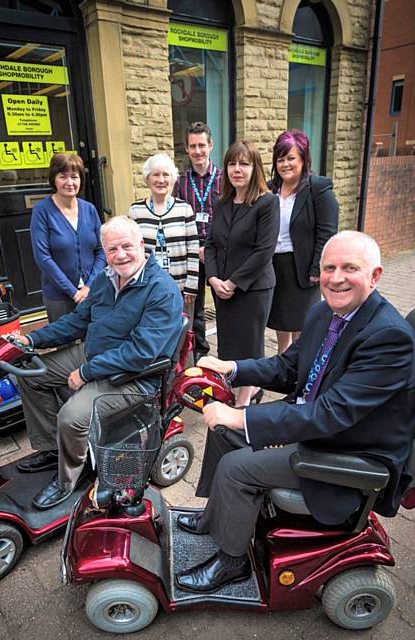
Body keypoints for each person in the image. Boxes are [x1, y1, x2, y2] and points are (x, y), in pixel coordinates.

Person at [175, 231, 415, 594]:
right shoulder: (324, 312)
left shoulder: (388, 337)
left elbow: (330, 415)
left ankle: (232, 562)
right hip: (315, 424)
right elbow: (287, 369)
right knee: (223, 433)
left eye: (350, 268)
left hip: (347, 448)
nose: (336, 278)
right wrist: (232, 369)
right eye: (329, 268)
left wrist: (241, 415)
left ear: (375, 276)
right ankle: (216, 518)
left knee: (236, 465)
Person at [16, 216, 183, 510]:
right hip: (95, 354)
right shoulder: (105, 279)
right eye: (111, 249)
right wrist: (32, 340)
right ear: (104, 252)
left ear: (141, 245)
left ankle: (68, 480)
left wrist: (86, 372)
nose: (119, 255)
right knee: (30, 373)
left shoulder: (162, 290)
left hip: (134, 376)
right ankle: (54, 448)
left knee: (71, 416)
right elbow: (78, 321)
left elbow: (141, 352)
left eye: (126, 246)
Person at [205, 140, 280, 406]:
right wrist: (213, 279)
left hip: (252, 289)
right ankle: (235, 386)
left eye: (244, 164)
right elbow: (211, 243)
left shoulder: (267, 202)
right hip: (222, 288)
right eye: (232, 164)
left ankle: (245, 399)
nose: (237, 169)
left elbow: (264, 251)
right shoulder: (222, 202)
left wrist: (234, 282)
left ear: (255, 168)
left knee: (249, 346)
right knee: (228, 344)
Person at [267, 130, 339, 353]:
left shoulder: (318, 189)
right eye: (280, 159)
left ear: (303, 160)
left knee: (301, 326)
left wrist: (318, 267)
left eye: (291, 158)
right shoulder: (270, 190)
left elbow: (327, 232)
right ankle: (282, 357)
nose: (285, 164)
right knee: (281, 320)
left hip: (304, 269)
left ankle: (301, 370)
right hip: (275, 265)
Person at [30, 153, 106, 322]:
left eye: (74, 176)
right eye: (63, 176)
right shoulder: (42, 211)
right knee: (65, 345)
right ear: (54, 179)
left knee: (95, 342)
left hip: (92, 293)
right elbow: (43, 257)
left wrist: (89, 286)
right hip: (59, 297)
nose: (69, 182)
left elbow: (102, 250)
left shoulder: (90, 209)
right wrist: (73, 292)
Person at [173, 122, 223, 362]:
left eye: (202, 145)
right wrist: (196, 249)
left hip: (218, 252)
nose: (198, 151)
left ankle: (226, 355)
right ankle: (200, 353)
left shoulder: (225, 179)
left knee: (225, 305)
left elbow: (228, 218)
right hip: (191, 253)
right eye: (193, 146)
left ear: (210, 145)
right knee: (196, 306)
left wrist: (210, 247)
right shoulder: (180, 182)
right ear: (187, 148)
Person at [129, 153, 199, 318]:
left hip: (181, 287)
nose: (161, 180)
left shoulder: (184, 209)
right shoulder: (136, 210)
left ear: (173, 178)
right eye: (156, 174)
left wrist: (191, 285)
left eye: (166, 174)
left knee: (181, 333)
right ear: (147, 178)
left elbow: (193, 249)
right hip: (147, 287)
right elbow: (132, 250)